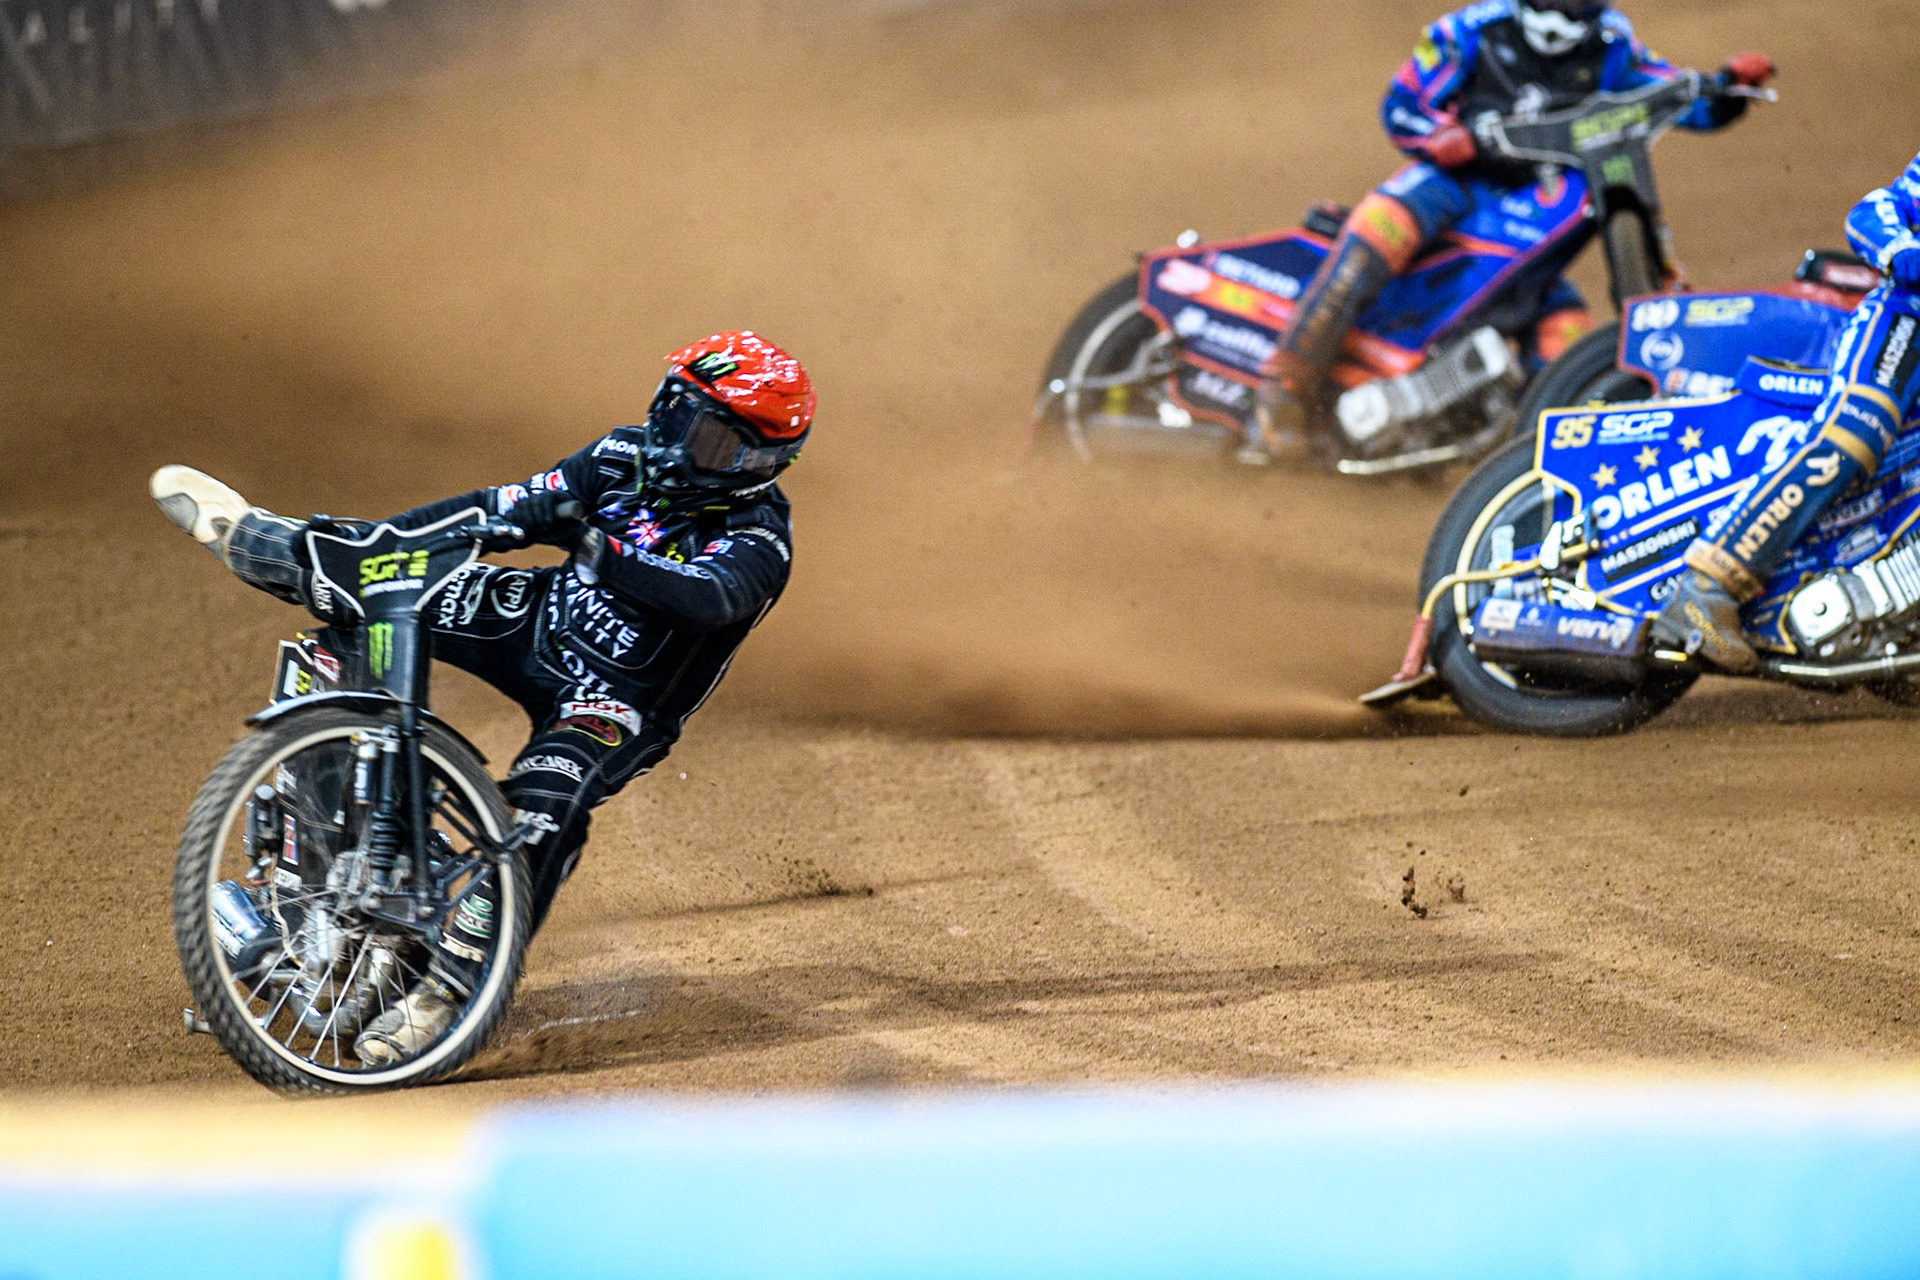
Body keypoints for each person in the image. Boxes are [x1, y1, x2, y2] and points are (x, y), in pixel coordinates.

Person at [150, 331, 812, 1063]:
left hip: (613, 701)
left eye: (712, 439)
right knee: (371, 592)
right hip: (533, 617)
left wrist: (596, 548)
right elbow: (500, 508)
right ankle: (268, 547)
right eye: (678, 414)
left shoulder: (759, 536)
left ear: (759, 462)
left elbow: (707, 597)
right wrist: (384, 548)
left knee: (543, 811)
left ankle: (450, 993)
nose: (678, 443)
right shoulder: (617, 457)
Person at [1256, 0, 1774, 458]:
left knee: (1566, 338)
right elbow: (1401, 104)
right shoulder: (1472, 30)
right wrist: (1439, 136)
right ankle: (1285, 387)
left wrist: (1728, 86)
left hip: (1545, 205)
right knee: (1380, 227)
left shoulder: (1613, 42)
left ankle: (1511, 473)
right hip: (1457, 180)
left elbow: (1679, 102)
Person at [1655, 154, 1920, 669]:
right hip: (1907, 326)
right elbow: (1877, 209)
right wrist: (1903, 251)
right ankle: (1708, 586)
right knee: (1852, 439)